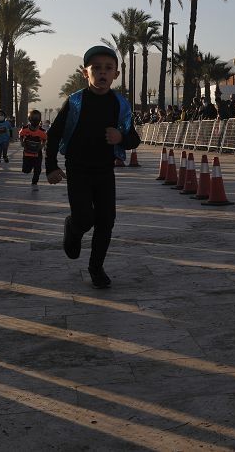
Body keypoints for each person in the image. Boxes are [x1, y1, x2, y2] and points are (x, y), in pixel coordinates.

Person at [46, 45, 141, 289]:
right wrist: (50, 166)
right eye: (96, 68)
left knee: (106, 220)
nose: (102, 72)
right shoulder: (75, 101)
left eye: (108, 68)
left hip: (104, 171)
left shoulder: (120, 104)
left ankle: (96, 268)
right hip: (77, 169)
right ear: (84, 72)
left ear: (116, 75)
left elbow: (134, 139)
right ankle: (73, 228)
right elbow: (54, 134)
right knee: (85, 217)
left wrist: (121, 138)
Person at [19, 110, 47, 189]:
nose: (35, 119)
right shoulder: (25, 129)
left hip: (37, 153)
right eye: (33, 117)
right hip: (27, 153)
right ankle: (29, 167)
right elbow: (20, 135)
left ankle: (34, 181)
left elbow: (45, 139)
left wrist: (42, 145)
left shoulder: (42, 132)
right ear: (29, 119)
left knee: (37, 169)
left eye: (37, 118)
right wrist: (22, 142)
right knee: (26, 170)